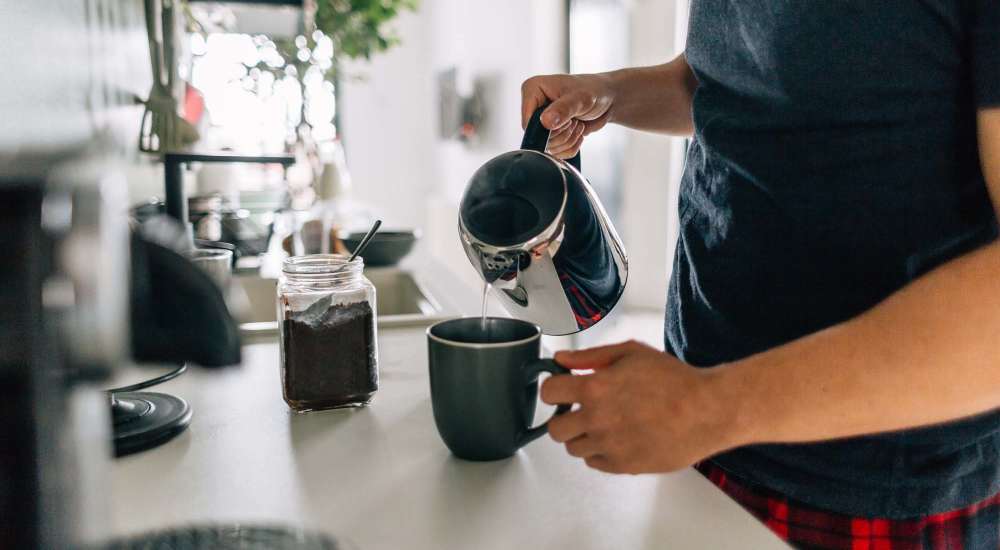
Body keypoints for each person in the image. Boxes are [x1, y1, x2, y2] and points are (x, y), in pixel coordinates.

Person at [524, 2, 1000, 549]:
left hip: (872, 489)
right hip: (704, 434)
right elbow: (727, 77)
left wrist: (709, 406)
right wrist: (610, 93)